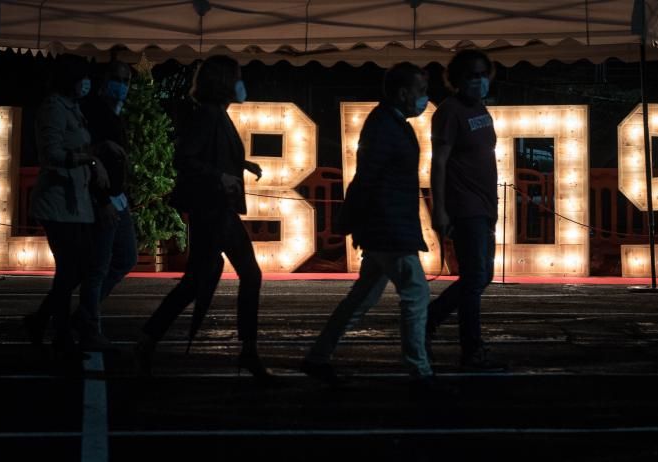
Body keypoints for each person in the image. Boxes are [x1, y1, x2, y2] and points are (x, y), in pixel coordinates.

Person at [300, 62, 438, 393]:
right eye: (420, 91)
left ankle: (318, 357)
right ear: (404, 93)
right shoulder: (385, 126)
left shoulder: (389, 123)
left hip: (385, 225)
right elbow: (371, 178)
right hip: (389, 226)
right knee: (416, 293)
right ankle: (420, 372)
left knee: (362, 298)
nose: (424, 98)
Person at [133, 55, 269, 381]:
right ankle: (149, 340)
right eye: (238, 77)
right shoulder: (210, 116)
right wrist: (220, 177)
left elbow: (208, 154)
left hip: (218, 210)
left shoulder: (217, 115)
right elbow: (185, 157)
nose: (242, 84)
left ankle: (149, 341)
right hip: (213, 210)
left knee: (214, 279)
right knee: (225, 278)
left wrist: (242, 165)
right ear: (225, 82)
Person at [23, 54, 109, 360]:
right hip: (58, 202)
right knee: (71, 270)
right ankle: (58, 333)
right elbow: (52, 154)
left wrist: (93, 157)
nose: (87, 83)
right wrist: (89, 159)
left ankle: (41, 321)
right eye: (82, 77)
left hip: (75, 202)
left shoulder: (72, 108)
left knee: (76, 269)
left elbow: (79, 145)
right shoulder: (53, 109)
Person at [425, 50, 506, 371]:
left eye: (482, 74)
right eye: (471, 75)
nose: (478, 80)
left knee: (481, 275)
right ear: (457, 79)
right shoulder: (449, 112)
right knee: (474, 277)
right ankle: (472, 349)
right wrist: (439, 208)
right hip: (465, 205)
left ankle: (429, 319)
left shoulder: (481, 110)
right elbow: (439, 162)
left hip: (485, 204)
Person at [74, 60, 138, 350]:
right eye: (117, 78)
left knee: (125, 258)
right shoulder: (96, 112)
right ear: (104, 81)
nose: (122, 85)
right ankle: (87, 326)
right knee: (98, 266)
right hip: (104, 198)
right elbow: (88, 158)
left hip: (117, 197)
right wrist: (102, 201)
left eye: (125, 79)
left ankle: (80, 317)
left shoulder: (114, 112)